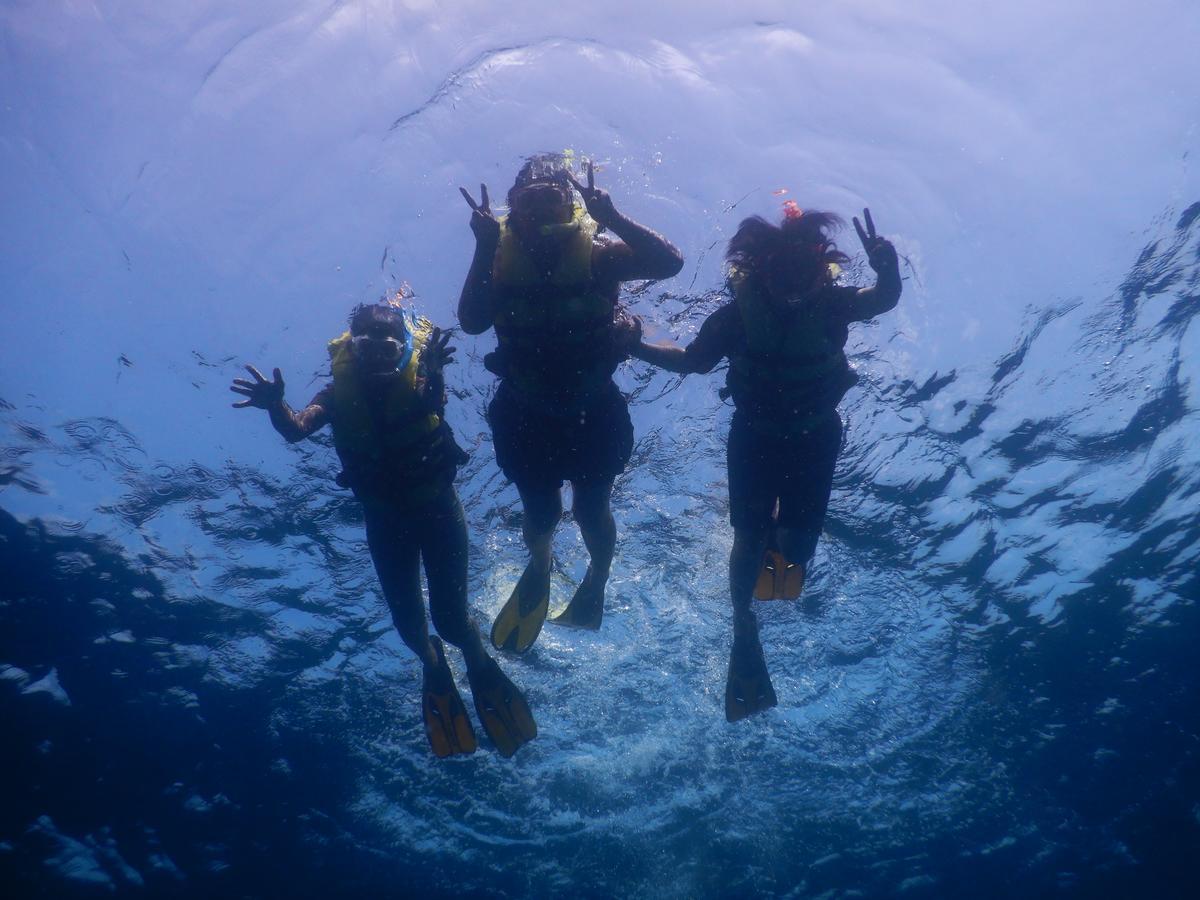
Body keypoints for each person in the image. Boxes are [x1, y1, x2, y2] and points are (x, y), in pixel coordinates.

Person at [229, 298, 537, 758]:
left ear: (404, 350)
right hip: (385, 521)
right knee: (410, 628)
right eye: (365, 345)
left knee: (451, 620)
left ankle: (475, 658)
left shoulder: (420, 382)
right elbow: (296, 428)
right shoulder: (334, 395)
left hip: (437, 512)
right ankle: (433, 666)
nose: (375, 356)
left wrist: (435, 370)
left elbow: (433, 399)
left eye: (388, 347)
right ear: (350, 348)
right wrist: (277, 406)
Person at [629, 206, 901, 721]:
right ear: (762, 271)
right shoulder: (735, 318)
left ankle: (778, 536)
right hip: (754, 439)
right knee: (749, 538)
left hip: (815, 438)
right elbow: (692, 360)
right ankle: (742, 626)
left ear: (819, 269)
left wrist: (886, 266)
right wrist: (634, 345)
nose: (794, 284)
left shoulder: (834, 304)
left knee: (797, 549)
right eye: (783, 273)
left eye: (804, 272)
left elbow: (883, 299)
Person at [457, 154, 683, 652]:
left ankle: (594, 581)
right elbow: (472, 322)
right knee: (540, 513)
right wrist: (483, 246)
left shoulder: (601, 253)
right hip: (524, 413)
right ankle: (540, 565)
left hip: (593, 409)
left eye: (551, 197)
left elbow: (670, 263)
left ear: (572, 204)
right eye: (527, 200)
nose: (538, 209)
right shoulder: (496, 259)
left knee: (591, 507)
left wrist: (616, 217)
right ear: (510, 210)